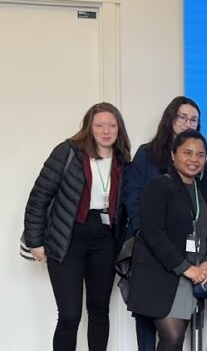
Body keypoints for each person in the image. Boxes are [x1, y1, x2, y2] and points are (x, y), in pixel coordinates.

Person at [23, 102, 131, 351]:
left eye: (112, 125)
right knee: (70, 315)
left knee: (99, 311)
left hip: (104, 239)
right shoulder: (68, 151)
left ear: (119, 129)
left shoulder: (122, 159)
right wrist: (35, 241)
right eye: (100, 125)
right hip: (67, 236)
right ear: (89, 128)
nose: (106, 131)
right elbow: (39, 196)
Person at [120, 96, 207, 351]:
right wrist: (145, 233)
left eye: (199, 155)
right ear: (173, 155)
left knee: (173, 340)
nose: (194, 159)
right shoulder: (154, 171)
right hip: (155, 261)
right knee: (160, 336)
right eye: (187, 153)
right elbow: (141, 211)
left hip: (189, 267)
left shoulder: (201, 185)